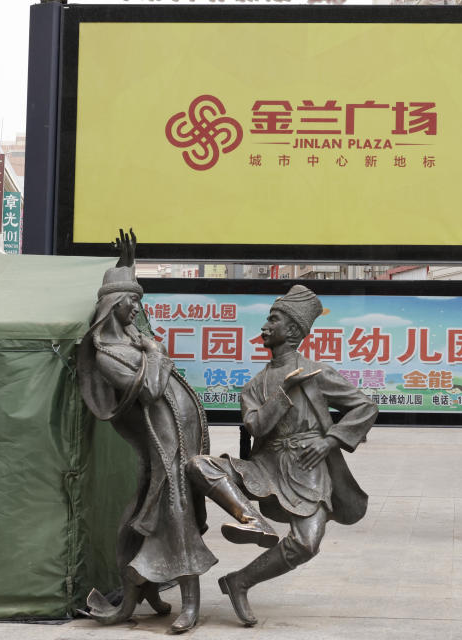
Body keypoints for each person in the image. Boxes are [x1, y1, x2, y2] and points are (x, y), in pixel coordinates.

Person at [187, 285, 378, 627]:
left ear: (291, 330)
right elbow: (256, 428)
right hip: (264, 466)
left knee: (307, 544)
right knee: (198, 465)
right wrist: (283, 392)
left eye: (272, 320)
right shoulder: (255, 385)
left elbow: (365, 406)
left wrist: (330, 441)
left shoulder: (316, 374)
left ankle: (240, 581)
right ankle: (251, 520)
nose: (264, 327)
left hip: (307, 468)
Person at [78, 229, 219, 633]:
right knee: (174, 521)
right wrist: (156, 355)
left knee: (167, 519)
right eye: (132, 302)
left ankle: (148, 591)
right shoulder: (108, 355)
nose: (138, 309)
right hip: (162, 452)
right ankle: (188, 604)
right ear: (115, 306)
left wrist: (128, 267)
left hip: (179, 444)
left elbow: (131, 310)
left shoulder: (133, 336)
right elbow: (150, 388)